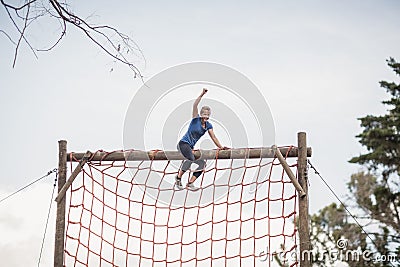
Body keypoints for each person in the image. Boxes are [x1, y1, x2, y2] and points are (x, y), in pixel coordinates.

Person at [175, 88, 228, 191]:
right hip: (183, 144)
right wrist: (202, 94)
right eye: (204, 115)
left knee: (202, 163)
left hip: (190, 147)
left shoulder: (208, 125)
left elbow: (213, 137)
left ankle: (190, 183)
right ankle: (178, 177)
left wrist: (221, 147)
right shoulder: (196, 119)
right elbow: (195, 105)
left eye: (207, 116)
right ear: (201, 114)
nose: (205, 117)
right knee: (190, 158)